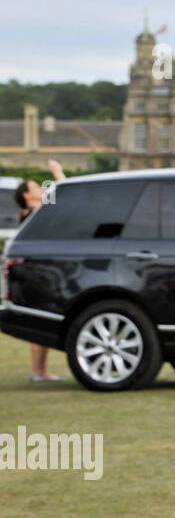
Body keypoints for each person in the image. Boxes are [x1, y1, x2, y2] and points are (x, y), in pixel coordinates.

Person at [12, 159, 66, 382]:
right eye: (36, 187)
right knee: (40, 322)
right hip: (35, 273)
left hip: (38, 271)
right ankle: (38, 371)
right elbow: (63, 194)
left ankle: (41, 371)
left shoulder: (32, 211)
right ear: (27, 195)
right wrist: (57, 172)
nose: (41, 190)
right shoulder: (32, 212)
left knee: (44, 320)